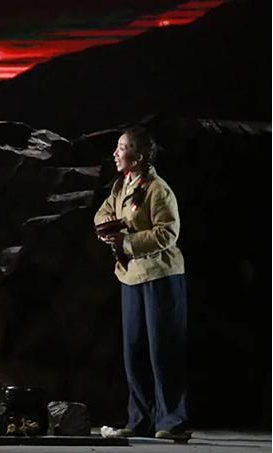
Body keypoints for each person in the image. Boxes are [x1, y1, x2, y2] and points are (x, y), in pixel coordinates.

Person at [94, 127, 190, 442]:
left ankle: (172, 421)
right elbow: (103, 214)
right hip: (130, 276)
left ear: (139, 155)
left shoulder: (158, 190)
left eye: (122, 147)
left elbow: (167, 233)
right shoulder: (121, 186)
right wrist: (110, 229)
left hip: (160, 277)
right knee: (133, 350)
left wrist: (127, 241)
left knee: (163, 349)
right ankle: (140, 419)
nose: (115, 153)